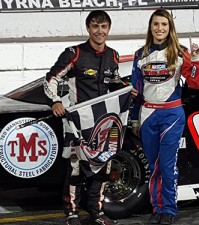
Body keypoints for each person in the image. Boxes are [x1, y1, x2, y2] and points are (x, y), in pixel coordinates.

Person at [43, 10, 120, 225]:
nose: (99, 31)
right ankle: (72, 212)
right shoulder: (74, 53)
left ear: (109, 29)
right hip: (76, 123)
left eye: (103, 27)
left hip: (102, 124)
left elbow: (114, 84)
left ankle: (97, 210)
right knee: (75, 169)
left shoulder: (113, 55)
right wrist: (56, 101)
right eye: (95, 26)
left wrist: (127, 89)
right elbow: (51, 79)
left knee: (103, 167)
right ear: (88, 28)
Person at [131, 9, 199, 225]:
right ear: (150, 27)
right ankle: (157, 208)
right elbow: (136, 89)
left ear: (170, 27)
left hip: (172, 114)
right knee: (153, 165)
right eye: (156, 24)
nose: (159, 28)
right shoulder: (140, 54)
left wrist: (197, 59)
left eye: (164, 24)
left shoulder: (180, 52)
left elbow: (195, 84)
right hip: (147, 114)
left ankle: (170, 209)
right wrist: (134, 118)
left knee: (167, 165)